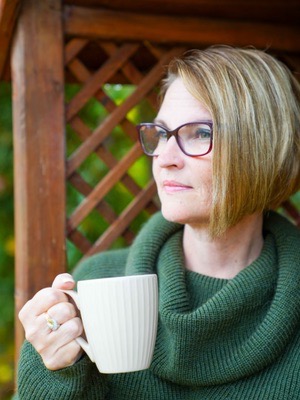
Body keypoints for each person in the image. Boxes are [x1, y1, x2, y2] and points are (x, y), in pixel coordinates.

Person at [15, 46, 300, 399]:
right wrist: (50, 370)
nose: (164, 157)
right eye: (162, 134)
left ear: (264, 148)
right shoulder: (93, 285)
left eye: (199, 133)